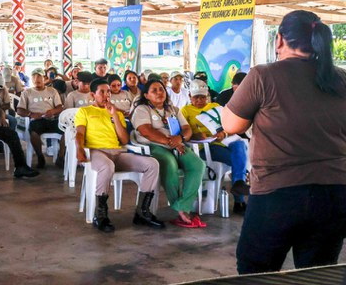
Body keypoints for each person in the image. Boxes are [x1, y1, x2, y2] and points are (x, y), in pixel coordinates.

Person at [222, 10, 346, 274]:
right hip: (335, 195)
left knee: (256, 273)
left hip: (277, 197)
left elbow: (232, 125)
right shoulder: (341, 79)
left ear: (278, 40)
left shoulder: (263, 76)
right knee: (318, 275)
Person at [75, 79, 163, 233]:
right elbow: (80, 133)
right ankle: (100, 215)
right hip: (96, 152)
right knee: (107, 166)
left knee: (152, 164)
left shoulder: (116, 113)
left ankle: (142, 212)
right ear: (92, 95)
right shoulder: (85, 111)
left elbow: (124, 140)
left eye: (108, 91)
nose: (106, 95)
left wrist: (114, 114)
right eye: (102, 92)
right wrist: (79, 149)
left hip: (117, 152)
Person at [131, 78, 206, 228]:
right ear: (146, 95)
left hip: (177, 144)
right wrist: (171, 142)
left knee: (198, 164)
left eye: (161, 89)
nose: (159, 92)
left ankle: (182, 205)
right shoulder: (142, 110)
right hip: (153, 146)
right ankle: (181, 211)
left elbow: (187, 129)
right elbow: (147, 132)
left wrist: (181, 138)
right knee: (169, 163)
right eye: (154, 90)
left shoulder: (172, 109)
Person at [181, 79, 249, 214]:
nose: (200, 100)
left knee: (240, 144)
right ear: (190, 96)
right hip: (204, 147)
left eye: (203, 97)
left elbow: (228, 126)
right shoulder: (185, 111)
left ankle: (239, 185)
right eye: (196, 97)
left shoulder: (215, 106)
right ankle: (239, 199)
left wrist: (224, 133)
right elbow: (183, 133)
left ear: (207, 96)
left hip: (222, 142)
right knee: (238, 160)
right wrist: (196, 136)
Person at [17, 68, 64, 169]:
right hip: (37, 120)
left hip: (51, 119)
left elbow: (60, 107)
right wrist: (31, 114)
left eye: (39, 76)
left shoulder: (52, 91)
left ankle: (60, 157)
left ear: (44, 78)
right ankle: (40, 156)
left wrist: (52, 112)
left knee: (66, 131)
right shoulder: (27, 92)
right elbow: (20, 110)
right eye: (34, 77)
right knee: (33, 132)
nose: (36, 79)